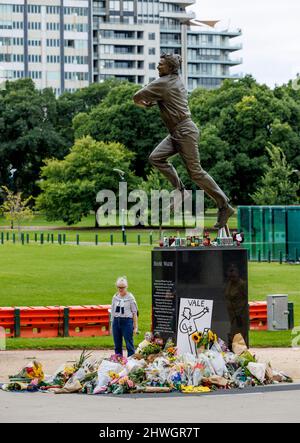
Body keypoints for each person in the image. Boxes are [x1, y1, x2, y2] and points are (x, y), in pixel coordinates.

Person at [133, 53, 234, 229]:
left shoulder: (162, 83)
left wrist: (144, 104)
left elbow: (136, 96)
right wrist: (151, 102)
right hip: (176, 132)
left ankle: (224, 205)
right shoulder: (175, 79)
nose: (158, 67)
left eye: (161, 65)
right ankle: (180, 191)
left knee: (196, 172)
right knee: (156, 157)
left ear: (170, 68)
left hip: (185, 131)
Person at [111, 276, 138, 357]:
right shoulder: (115, 297)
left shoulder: (130, 298)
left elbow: (134, 313)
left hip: (127, 322)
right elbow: (112, 311)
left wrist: (136, 327)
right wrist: (112, 324)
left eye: (122, 287)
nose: (120, 289)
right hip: (116, 321)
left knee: (129, 344)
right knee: (117, 344)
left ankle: (131, 363)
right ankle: (118, 362)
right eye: (118, 287)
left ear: (126, 287)